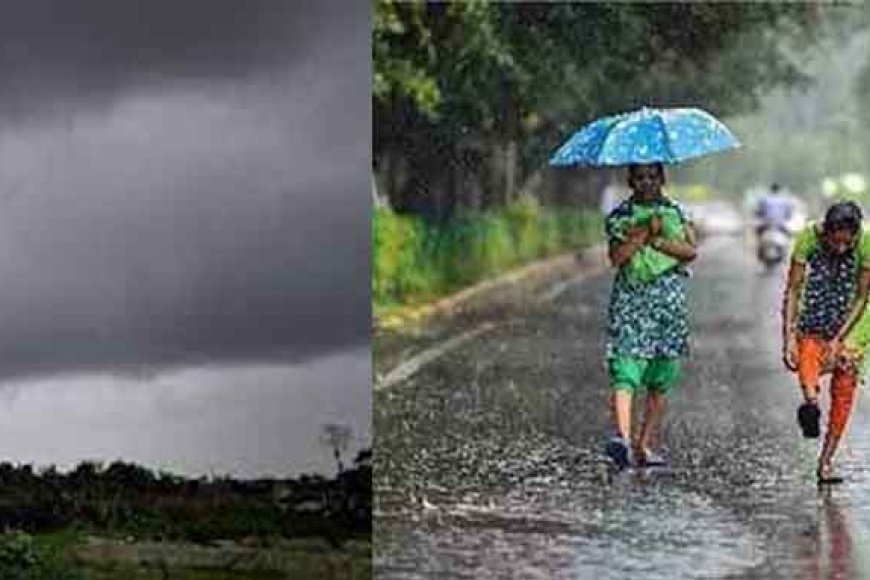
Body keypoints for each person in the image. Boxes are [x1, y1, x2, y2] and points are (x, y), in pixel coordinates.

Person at [603, 162, 698, 469]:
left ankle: (643, 445)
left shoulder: (677, 212)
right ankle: (622, 438)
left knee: (661, 375)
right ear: (630, 181)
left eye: (652, 177)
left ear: (662, 179)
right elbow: (617, 258)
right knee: (625, 368)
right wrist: (640, 234)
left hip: (668, 303)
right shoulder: (619, 217)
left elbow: (690, 252)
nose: (646, 182)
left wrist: (658, 238)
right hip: (631, 302)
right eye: (640, 177)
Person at [782, 200, 870, 483]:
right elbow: (794, 290)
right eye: (836, 241)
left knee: (845, 385)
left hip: (855, 319)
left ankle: (826, 462)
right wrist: (788, 339)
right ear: (826, 232)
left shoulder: (866, 243)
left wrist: (840, 339)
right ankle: (811, 404)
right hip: (815, 313)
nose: (842, 248)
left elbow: (862, 297)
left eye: (848, 242)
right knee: (805, 354)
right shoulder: (808, 238)